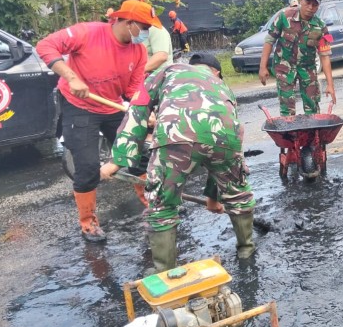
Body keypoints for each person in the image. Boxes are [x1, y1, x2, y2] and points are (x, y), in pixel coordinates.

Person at [100, 54, 256, 273]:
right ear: (216, 71)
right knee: (238, 196)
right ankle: (247, 253)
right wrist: (213, 198)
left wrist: (117, 160)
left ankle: (167, 274)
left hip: (176, 134)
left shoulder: (169, 71)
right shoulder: (223, 87)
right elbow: (230, 135)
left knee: (162, 206)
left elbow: (138, 108)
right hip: (226, 139)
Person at [36, 0, 152, 242]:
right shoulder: (87, 32)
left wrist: (145, 111)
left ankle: (152, 206)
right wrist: (71, 77)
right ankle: (88, 223)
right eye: (144, 27)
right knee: (88, 167)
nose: (146, 34)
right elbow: (46, 45)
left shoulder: (138, 50)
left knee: (139, 154)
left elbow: (133, 90)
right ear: (128, 22)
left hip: (112, 106)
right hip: (80, 106)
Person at [258, 0, 337, 117]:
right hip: (284, 67)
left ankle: (312, 135)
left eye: (315, 4)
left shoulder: (320, 26)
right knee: (287, 108)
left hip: (307, 68)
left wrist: (330, 84)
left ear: (318, 6)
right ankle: (290, 135)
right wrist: (263, 67)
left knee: (312, 106)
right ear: (301, 1)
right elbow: (269, 41)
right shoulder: (284, 16)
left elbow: (325, 55)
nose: (310, 7)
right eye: (308, 3)